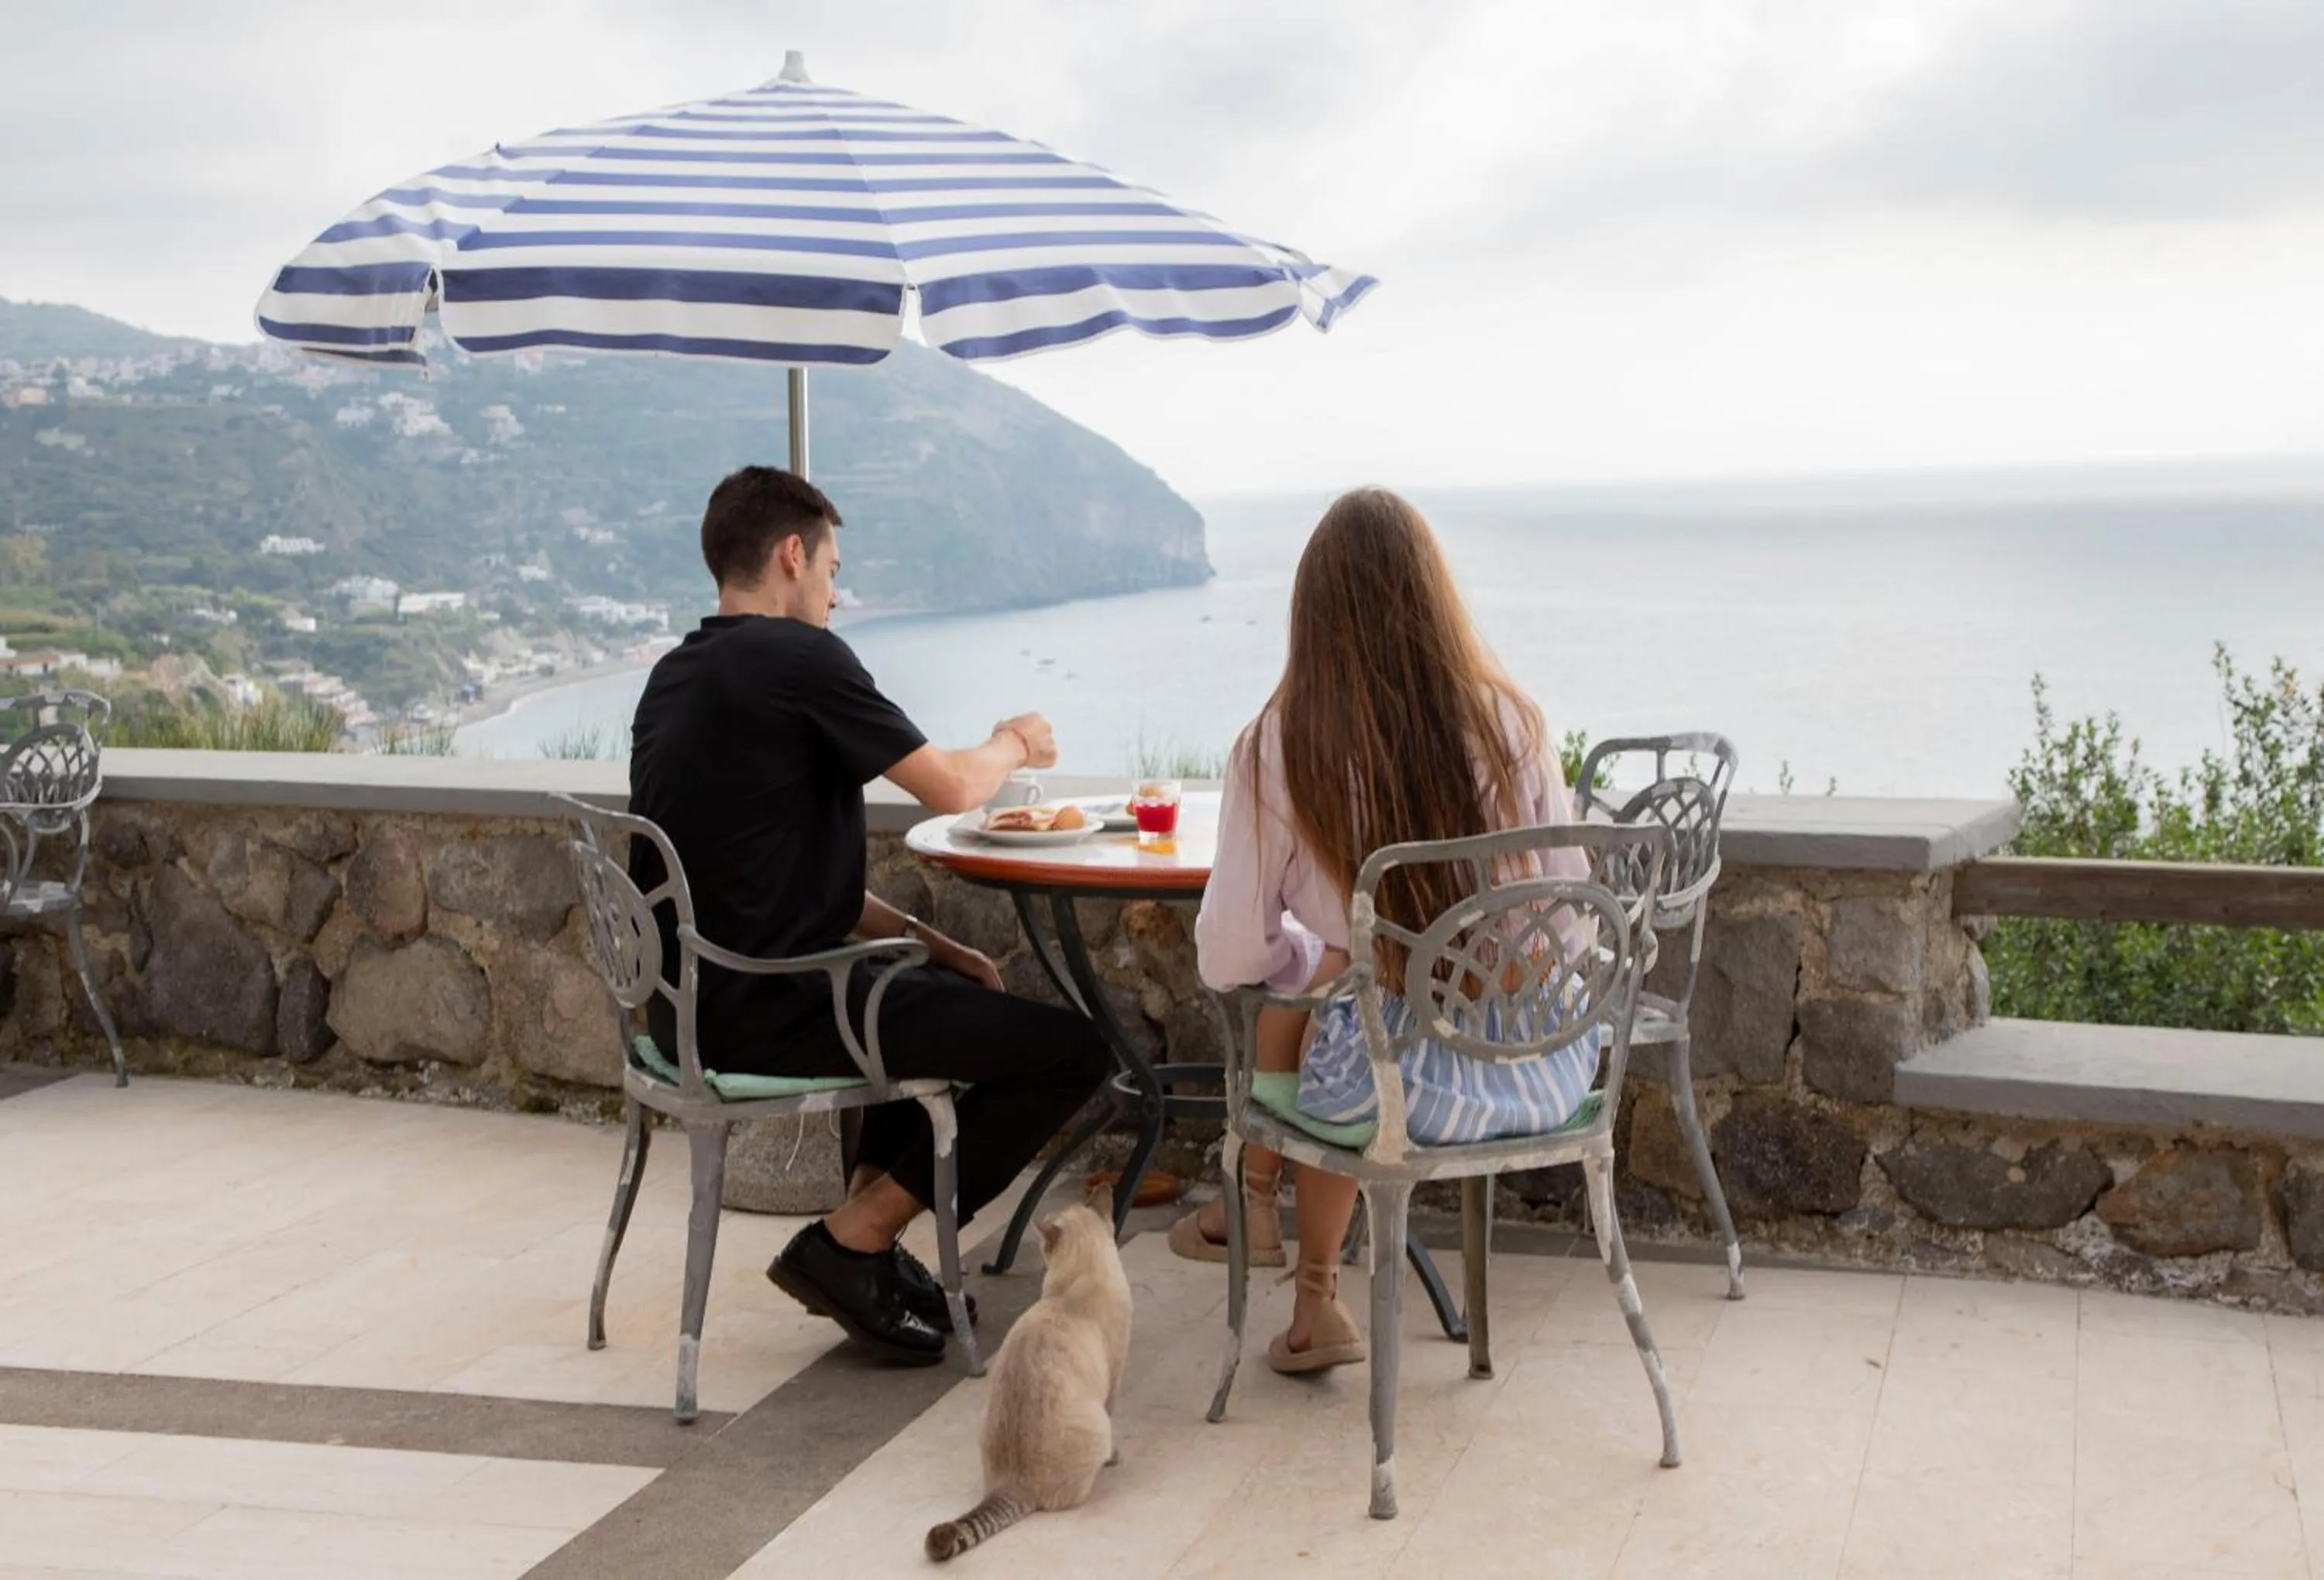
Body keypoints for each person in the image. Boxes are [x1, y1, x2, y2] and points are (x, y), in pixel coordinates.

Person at [627, 465, 1110, 1368]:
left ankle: (868, 1257)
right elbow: (955, 787)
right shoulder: (799, 659)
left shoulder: (675, 675)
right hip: (775, 1008)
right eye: (832, 570)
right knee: (1075, 1051)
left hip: (692, 1005)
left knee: (912, 986)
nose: (836, 594)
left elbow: (763, 876)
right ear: (790, 555)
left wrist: (936, 942)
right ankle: (851, 1238)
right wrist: (1017, 741)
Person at [1174, 486, 1600, 1375]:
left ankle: (1306, 1282)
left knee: (1346, 1007)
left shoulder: (1279, 745)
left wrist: (1318, 956)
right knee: (1357, 1004)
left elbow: (1228, 956)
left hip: (1384, 1091)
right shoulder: (1514, 723)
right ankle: (1310, 1292)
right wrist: (1482, 972)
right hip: (1540, 1069)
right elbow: (1571, 920)